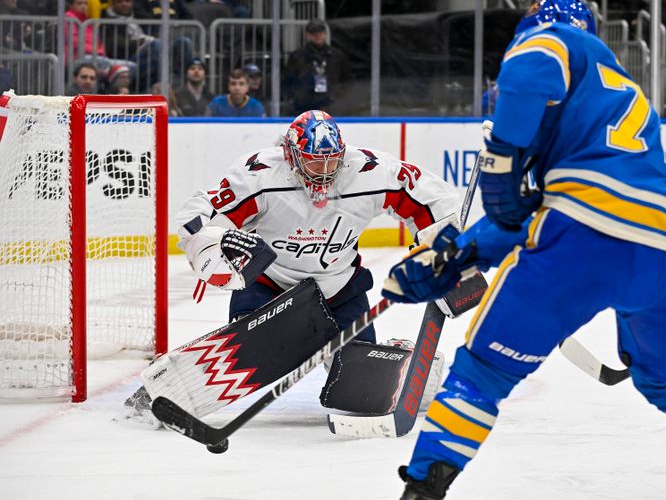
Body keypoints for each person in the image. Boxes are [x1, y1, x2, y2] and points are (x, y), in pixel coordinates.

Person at [382, 0, 666, 500]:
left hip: (584, 243)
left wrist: (501, 159)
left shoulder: (556, 41)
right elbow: (548, 208)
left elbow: (538, 66)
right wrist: (463, 253)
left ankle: (423, 488)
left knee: (482, 373)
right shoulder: (618, 97)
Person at [122, 109, 461, 426]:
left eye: (332, 162)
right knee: (249, 353)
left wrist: (450, 252)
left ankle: (409, 362)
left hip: (339, 290)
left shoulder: (370, 171)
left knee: (362, 390)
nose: (325, 174)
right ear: (291, 155)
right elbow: (199, 214)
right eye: (314, 163)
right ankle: (164, 390)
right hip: (270, 288)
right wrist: (212, 246)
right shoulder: (259, 176)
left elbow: (431, 201)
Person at [284, 18, 352, 114]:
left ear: (325, 33)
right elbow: (288, 80)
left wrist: (337, 95)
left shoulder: (337, 55)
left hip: (331, 105)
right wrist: (299, 95)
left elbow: (347, 79)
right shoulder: (297, 56)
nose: (317, 35)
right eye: (313, 33)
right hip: (304, 106)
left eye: (320, 32)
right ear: (307, 35)